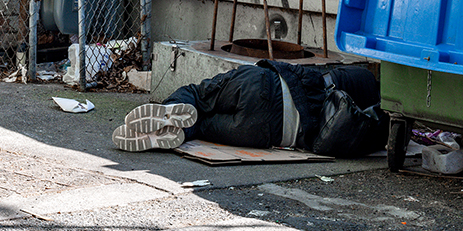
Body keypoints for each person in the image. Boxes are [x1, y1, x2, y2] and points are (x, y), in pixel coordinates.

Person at [113, 60, 385, 158]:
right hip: (269, 132)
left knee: (197, 95)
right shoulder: (371, 127)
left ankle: (169, 111)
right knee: (203, 127)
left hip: (263, 85)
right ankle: (175, 134)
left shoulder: (360, 75)